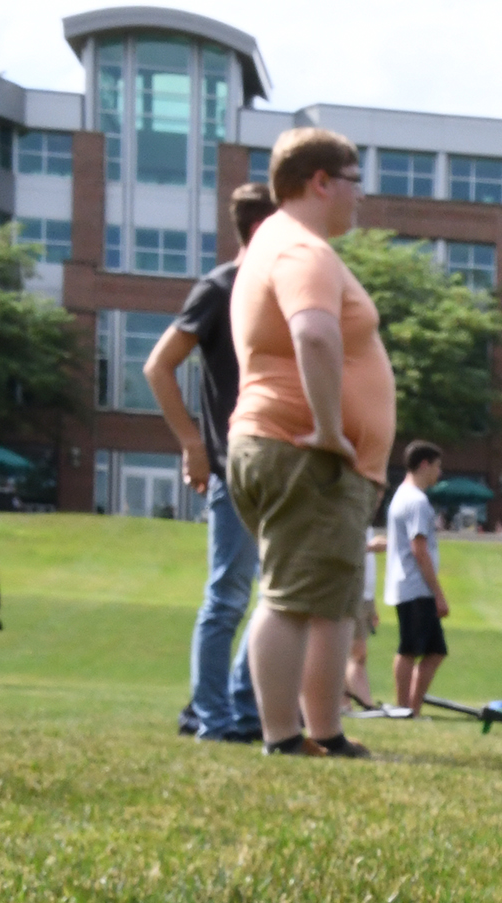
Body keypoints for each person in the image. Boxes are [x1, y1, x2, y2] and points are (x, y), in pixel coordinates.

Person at [226, 127, 392, 760]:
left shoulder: (271, 243)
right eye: (354, 182)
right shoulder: (302, 249)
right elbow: (316, 336)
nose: (361, 198)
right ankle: (285, 737)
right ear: (320, 182)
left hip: (280, 443)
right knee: (294, 597)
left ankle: (323, 732)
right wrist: (328, 431)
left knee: (324, 599)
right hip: (302, 448)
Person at [149, 182, 277, 743]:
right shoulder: (219, 287)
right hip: (230, 468)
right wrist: (192, 444)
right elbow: (159, 366)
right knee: (228, 595)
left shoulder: (275, 289)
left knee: (276, 595)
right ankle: (211, 717)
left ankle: (245, 711)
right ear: (260, 229)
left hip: (276, 466)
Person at [384, 440, 450, 715]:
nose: (439, 473)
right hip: (415, 586)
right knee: (410, 648)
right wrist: (438, 593)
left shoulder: (402, 495)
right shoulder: (416, 501)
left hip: (409, 585)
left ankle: (412, 707)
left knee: (435, 651)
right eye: (436, 466)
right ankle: (404, 708)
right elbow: (419, 549)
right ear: (424, 464)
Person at [349, 529, 381, 711]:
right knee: (357, 654)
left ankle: (345, 703)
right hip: (353, 593)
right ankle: (366, 703)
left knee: (355, 654)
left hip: (365, 595)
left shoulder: (366, 524)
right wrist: (370, 546)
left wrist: (372, 605)